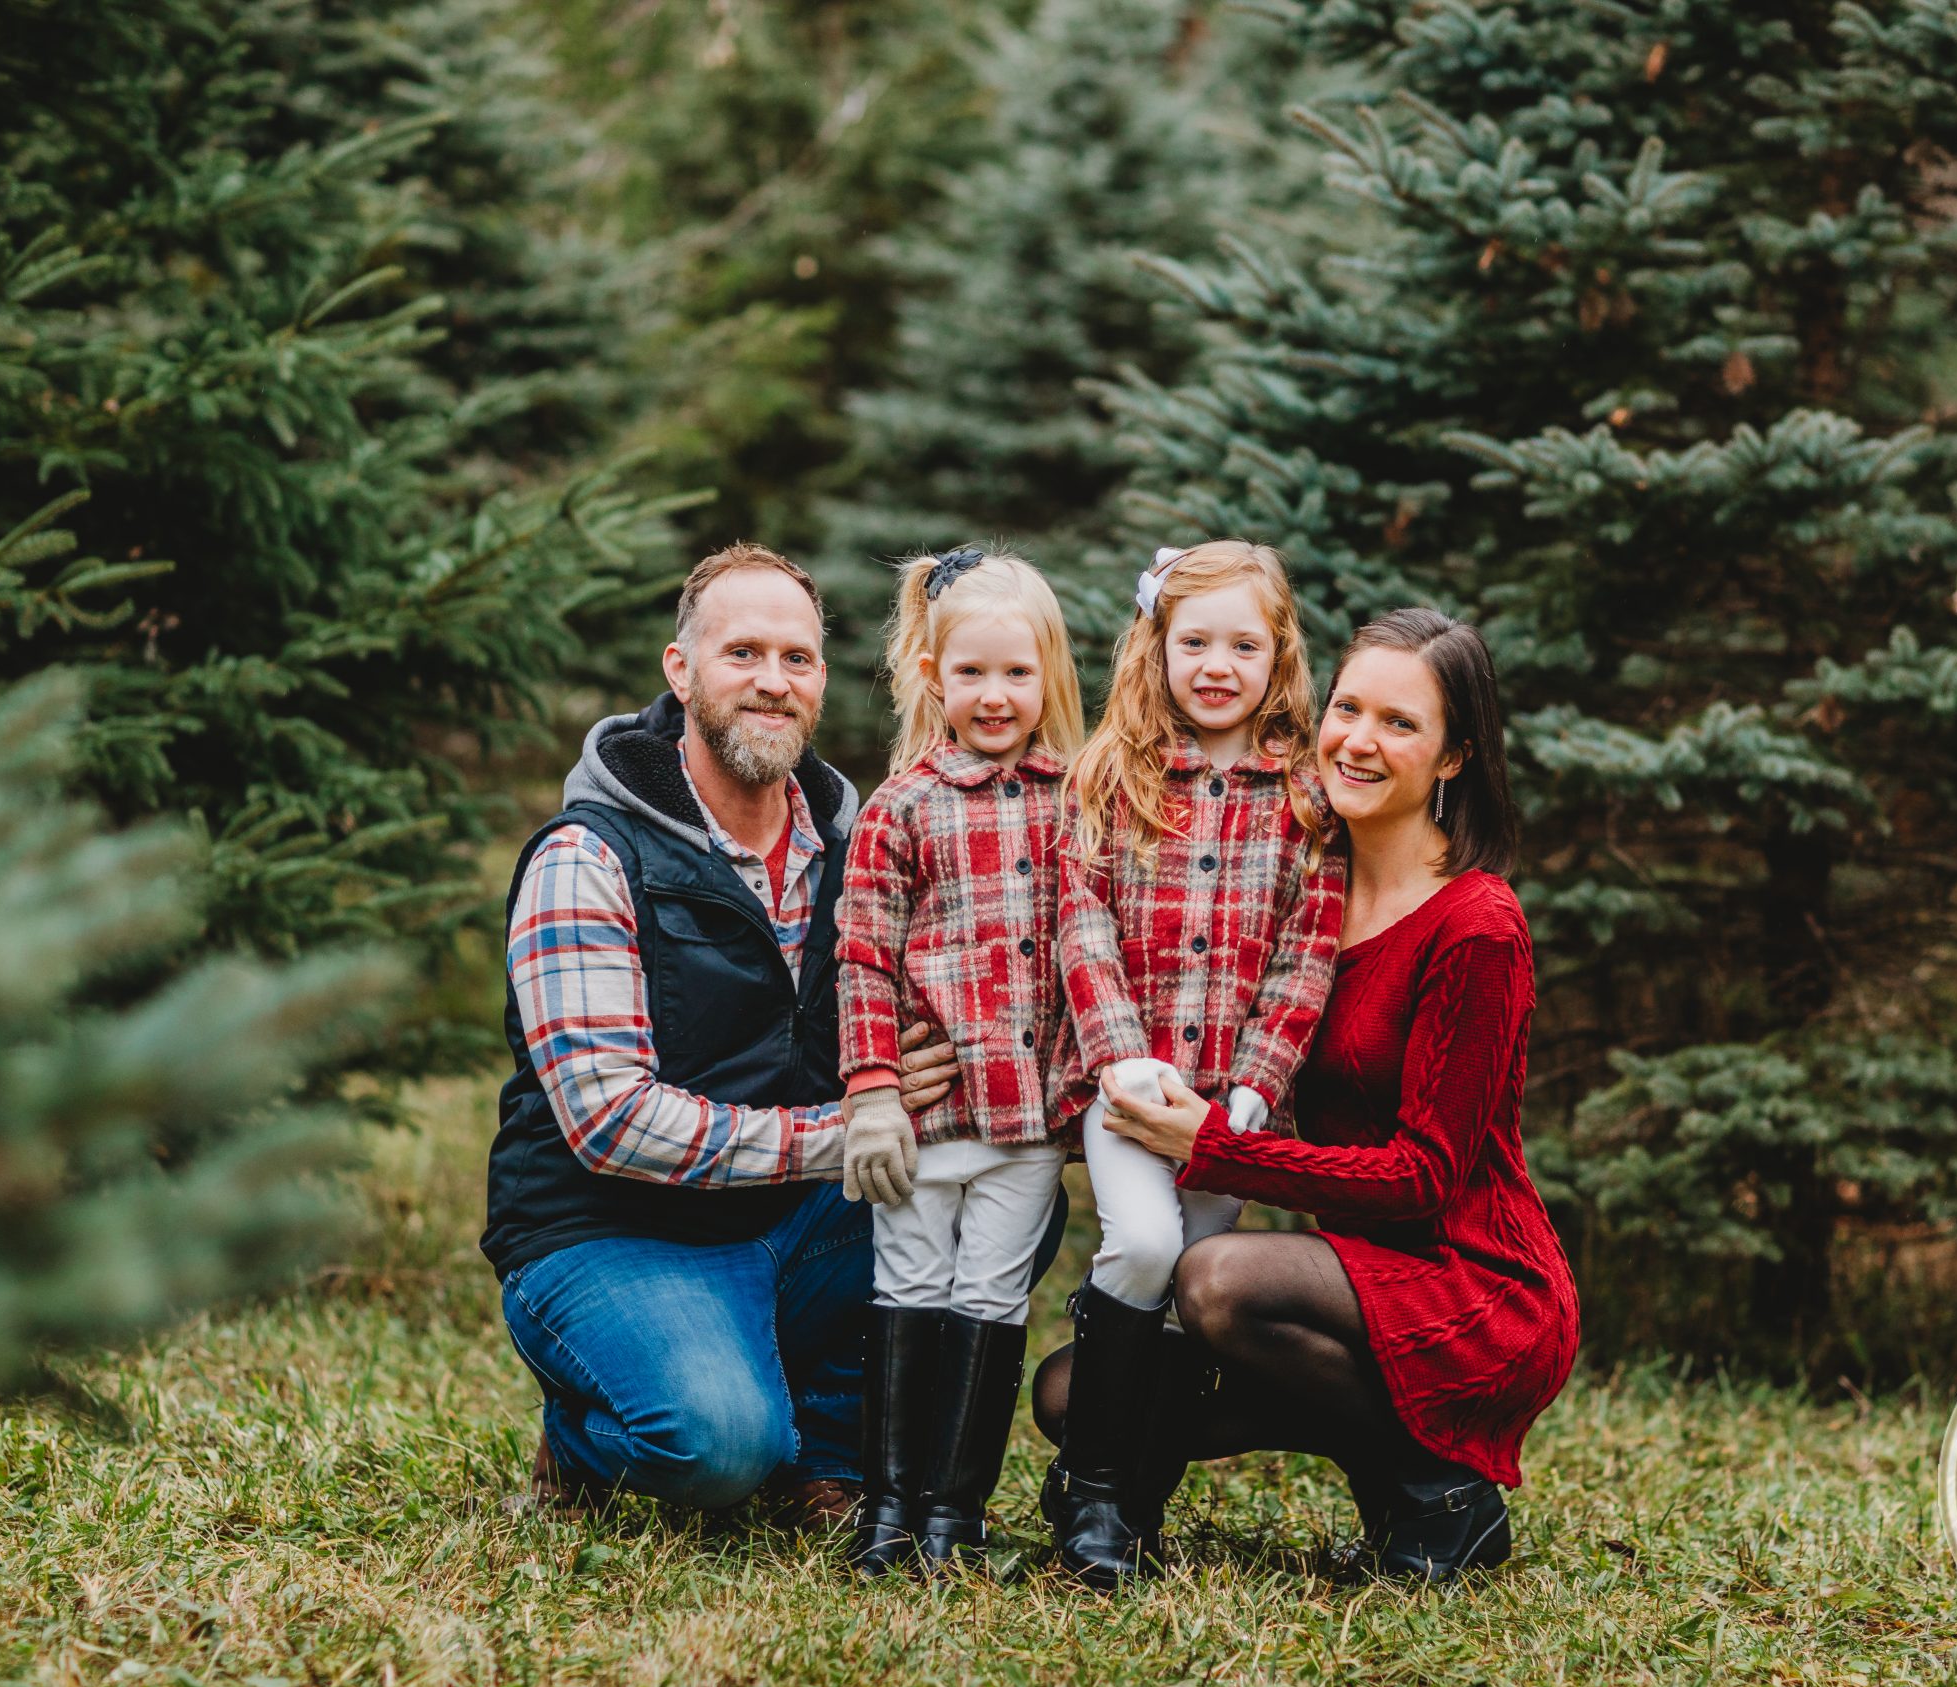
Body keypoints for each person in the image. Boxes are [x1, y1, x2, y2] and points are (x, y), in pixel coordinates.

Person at [1069, 605, 1580, 1583]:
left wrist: (1211, 1148)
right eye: (1348, 708)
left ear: (1454, 757)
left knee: (1212, 1280)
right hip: (1348, 1274)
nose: (1357, 740)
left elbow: (1424, 1179)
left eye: (1400, 723)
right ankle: (1385, 1459)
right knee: (1075, 1399)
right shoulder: (1299, 888)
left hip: (1470, 1279)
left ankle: (1439, 1495)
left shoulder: (1475, 926)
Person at [483, 542, 969, 1525]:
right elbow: (609, 1122)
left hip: (784, 1217)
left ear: (823, 681)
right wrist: (848, 1131)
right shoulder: (589, 855)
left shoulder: (854, 848)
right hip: (612, 1227)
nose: (772, 682)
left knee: (977, 1185)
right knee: (715, 1450)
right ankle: (585, 1435)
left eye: (798, 658)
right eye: (742, 653)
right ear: (680, 669)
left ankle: (825, 1455)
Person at [1042, 539, 1345, 1588]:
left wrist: (1256, 1086)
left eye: (1242, 645)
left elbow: (1306, 957)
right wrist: (1121, 1061)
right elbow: (1081, 926)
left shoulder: (1305, 799)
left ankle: (1126, 1505)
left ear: (1277, 656)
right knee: (1135, 1244)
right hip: (1128, 1091)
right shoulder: (1114, 774)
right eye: (1194, 641)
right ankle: (1089, 1501)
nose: (1216, 665)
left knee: (1181, 1276)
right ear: (1155, 646)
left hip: (1231, 1110)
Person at [831, 546, 1089, 1575]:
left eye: (1015, 674)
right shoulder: (901, 806)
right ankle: (886, 1512)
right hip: (929, 1120)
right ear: (933, 677)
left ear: (1048, 680)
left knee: (992, 1296)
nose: (994, 695)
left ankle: (954, 1516)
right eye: (970, 673)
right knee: (910, 1287)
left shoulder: (1075, 801)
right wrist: (871, 1089)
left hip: (1024, 1119)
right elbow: (859, 958)